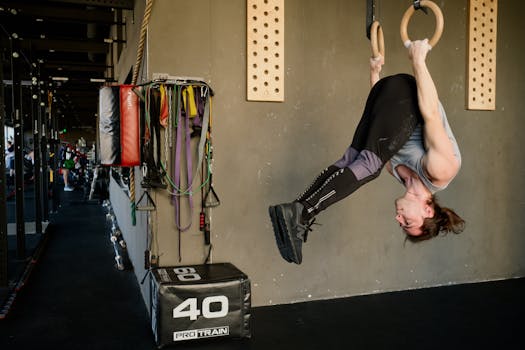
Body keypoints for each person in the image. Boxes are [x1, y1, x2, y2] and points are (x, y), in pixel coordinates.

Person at [269, 39, 465, 264]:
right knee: (370, 167)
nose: (398, 219)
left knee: (351, 160)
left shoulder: (396, 171)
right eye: (407, 223)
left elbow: (383, 123)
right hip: (409, 91)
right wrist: (418, 60)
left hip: (383, 93)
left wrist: (375, 75)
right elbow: (430, 112)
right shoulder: (441, 171)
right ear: (428, 212)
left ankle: (296, 208)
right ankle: (302, 213)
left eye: (401, 224)